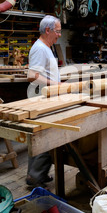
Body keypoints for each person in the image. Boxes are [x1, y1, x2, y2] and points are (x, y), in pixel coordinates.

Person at [25, 15, 62, 189]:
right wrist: (55, 84)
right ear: (47, 30)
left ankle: (38, 174)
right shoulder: (40, 48)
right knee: (44, 137)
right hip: (41, 99)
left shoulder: (47, 47)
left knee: (43, 137)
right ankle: (35, 177)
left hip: (48, 98)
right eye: (57, 31)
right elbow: (32, 76)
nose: (59, 35)